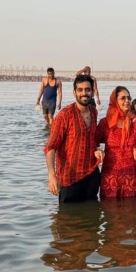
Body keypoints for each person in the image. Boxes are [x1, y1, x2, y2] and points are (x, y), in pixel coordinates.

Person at [44, 74, 102, 203]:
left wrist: (97, 149)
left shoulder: (94, 113)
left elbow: (91, 139)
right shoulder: (65, 115)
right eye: (80, 90)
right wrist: (52, 176)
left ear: (92, 92)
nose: (84, 93)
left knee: (92, 217)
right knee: (67, 220)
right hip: (70, 178)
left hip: (91, 174)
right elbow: (50, 147)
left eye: (87, 90)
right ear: (74, 92)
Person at [96, 86, 136, 199]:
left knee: (131, 212)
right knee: (109, 211)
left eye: (128, 98)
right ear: (115, 101)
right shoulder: (105, 124)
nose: (127, 101)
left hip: (132, 176)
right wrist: (97, 150)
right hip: (110, 175)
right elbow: (93, 142)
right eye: (123, 98)